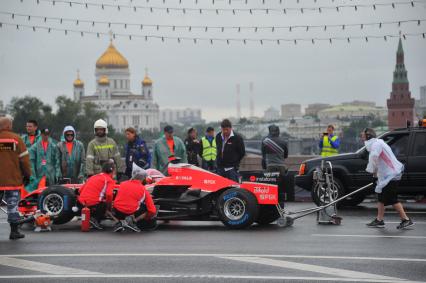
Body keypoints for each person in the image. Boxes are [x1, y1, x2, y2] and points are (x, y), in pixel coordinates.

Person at [362, 128, 414, 229]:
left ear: (368, 136)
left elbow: (374, 159)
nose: (362, 137)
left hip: (391, 175)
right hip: (386, 175)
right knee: (381, 197)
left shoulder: (376, 145)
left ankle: (406, 219)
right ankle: (379, 220)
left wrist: (373, 174)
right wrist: (376, 176)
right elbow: (377, 161)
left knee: (391, 198)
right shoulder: (376, 143)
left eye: (363, 135)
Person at [0, 117, 32, 240]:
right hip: (12, 180)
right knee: (12, 206)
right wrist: (27, 175)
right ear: (8, 126)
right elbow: (24, 161)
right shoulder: (16, 139)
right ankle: (14, 232)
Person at [112, 163, 157, 232]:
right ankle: (133, 221)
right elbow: (152, 210)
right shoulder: (143, 189)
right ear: (143, 178)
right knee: (147, 208)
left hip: (117, 212)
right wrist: (147, 217)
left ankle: (119, 222)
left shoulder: (122, 184)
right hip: (131, 212)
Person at [78, 160, 116, 230]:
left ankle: (90, 218)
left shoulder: (93, 176)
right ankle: (94, 220)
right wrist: (109, 208)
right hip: (93, 206)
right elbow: (109, 195)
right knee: (105, 203)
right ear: (112, 171)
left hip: (80, 204)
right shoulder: (109, 180)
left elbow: (80, 190)